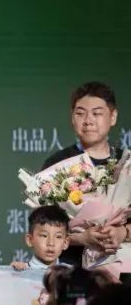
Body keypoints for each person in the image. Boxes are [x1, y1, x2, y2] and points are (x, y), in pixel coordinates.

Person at [41, 82, 127, 267]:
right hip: (71, 269)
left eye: (97, 113)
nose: (88, 120)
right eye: (80, 113)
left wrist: (123, 232)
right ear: (72, 118)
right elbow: (41, 227)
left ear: (113, 117)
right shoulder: (57, 165)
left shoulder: (126, 164)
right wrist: (81, 238)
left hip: (124, 269)